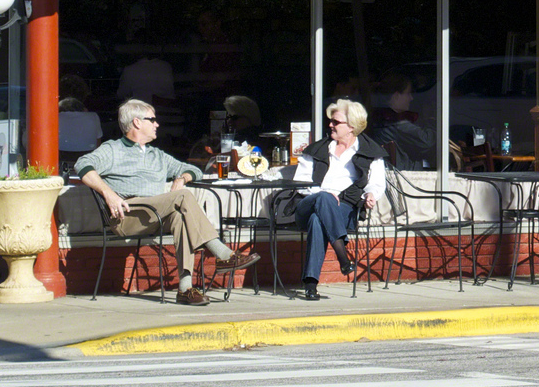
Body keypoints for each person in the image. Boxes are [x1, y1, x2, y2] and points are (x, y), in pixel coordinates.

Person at [74, 99, 259, 305]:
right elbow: (82, 165)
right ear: (136, 122)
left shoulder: (156, 155)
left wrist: (182, 178)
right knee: (183, 196)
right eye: (152, 120)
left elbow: (194, 170)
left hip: (154, 213)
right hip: (127, 214)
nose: (157, 124)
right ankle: (222, 253)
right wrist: (108, 193)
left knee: (181, 217)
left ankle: (185, 289)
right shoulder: (113, 149)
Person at [293, 98, 388, 299]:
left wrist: (371, 194)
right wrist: (323, 195)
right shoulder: (317, 149)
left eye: (336, 122)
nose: (330, 125)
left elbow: (376, 182)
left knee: (317, 221)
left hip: (343, 209)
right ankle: (342, 257)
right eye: (331, 121)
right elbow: (301, 183)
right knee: (323, 199)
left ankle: (310, 284)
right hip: (308, 203)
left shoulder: (370, 152)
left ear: (352, 126)